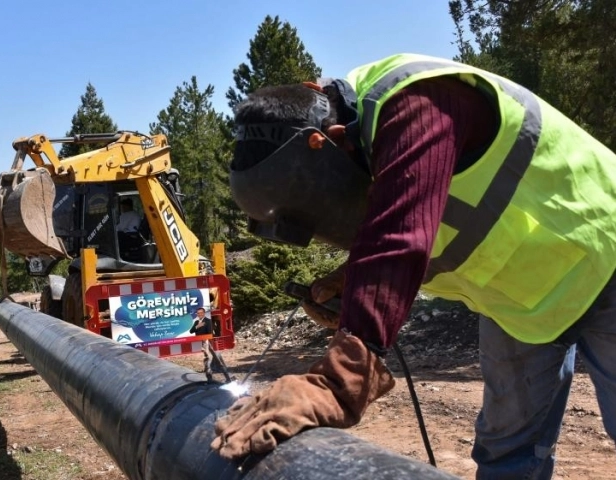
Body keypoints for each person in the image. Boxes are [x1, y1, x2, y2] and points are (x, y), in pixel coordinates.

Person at [211, 53, 616, 479]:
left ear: (331, 140)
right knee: (507, 452)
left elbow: (401, 236)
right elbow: (422, 220)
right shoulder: (365, 145)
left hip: (605, 256)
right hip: (522, 305)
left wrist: (340, 379)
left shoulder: (415, 101)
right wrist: (354, 277)